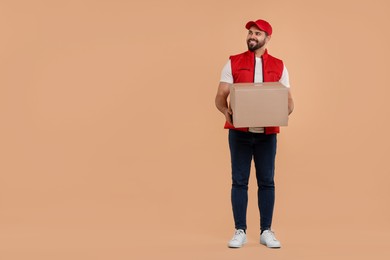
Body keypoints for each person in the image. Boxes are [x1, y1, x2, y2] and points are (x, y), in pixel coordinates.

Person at [215, 19, 294, 249]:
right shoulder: (232, 63)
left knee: (267, 182)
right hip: (239, 132)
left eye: (257, 33)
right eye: (250, 32)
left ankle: (266, 231)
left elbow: (289, 102)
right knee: (239, 181)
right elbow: (220, 97)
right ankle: (239, 230)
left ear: (267, 38)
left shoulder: (280, 65)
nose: (252, 36)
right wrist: (224, 111)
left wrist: (282, 112)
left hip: (267, 135)